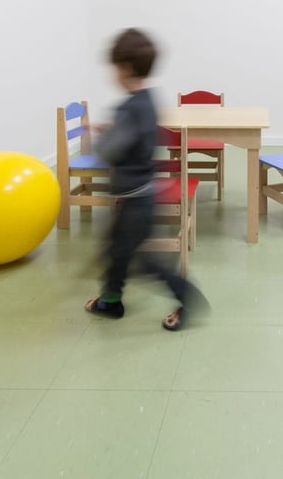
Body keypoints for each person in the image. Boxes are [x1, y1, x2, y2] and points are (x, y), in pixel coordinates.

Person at [84, 28, 208, 331]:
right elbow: (140, 136)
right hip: (141, 193)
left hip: (135, 198)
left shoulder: (127, 109)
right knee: (117, 251)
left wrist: (102, 136)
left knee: (144, 260)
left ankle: (187, 298)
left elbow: (107, 152)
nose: (113, 73)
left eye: (114, 67)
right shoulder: (149, 101)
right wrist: (115, 130)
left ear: (125, 68)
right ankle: (110, 301)